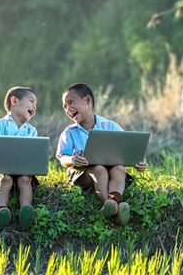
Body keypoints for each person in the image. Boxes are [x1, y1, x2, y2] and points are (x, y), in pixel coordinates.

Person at [56, 83, 147, 226]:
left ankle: (113, 202)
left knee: (119, 168)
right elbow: (62, 158)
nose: (68, 108)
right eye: (65, 106)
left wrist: (138, 162)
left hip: (110, 169)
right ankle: (108, 204)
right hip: (82, 173)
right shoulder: (69, 132)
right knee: (99, 169)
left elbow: (128, 147)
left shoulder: (109, 126)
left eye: (71, 102)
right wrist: (73, 159)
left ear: (87, 100)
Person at [0, 86, 39, 231]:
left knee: (25, 179)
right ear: (15, 101)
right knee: (6, 179)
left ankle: (26, 210)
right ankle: (2, 211)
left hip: (23, 170)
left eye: (35, 105)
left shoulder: (31, 130)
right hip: (1, 170)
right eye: (31, 101)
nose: (34, 107)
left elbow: (32, 155)